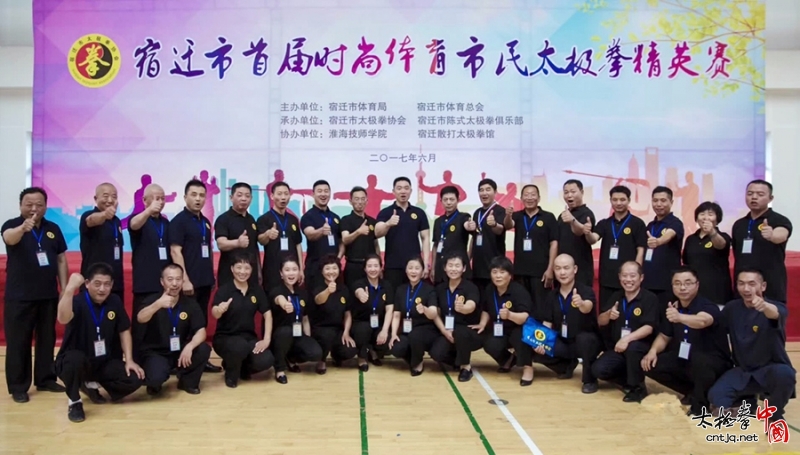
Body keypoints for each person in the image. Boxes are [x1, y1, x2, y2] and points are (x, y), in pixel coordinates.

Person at [2, 187, 68, 402]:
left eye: (39, 204)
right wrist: (23, 228)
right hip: (20, 297)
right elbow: (9, 239)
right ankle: (18, 386)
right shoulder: (12, 225)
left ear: (46, 206)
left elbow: (60, 259)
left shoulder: (53, 229)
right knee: (18, 341)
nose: (34, 208)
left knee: (47, 339)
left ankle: (46, 378)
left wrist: (64, 289)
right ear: (21, 205)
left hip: (48, 294)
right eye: (29, 204)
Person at [54, 265, 144, 422]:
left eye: (107, 284)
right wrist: (69, 289)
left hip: (103, 362)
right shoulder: (77, 301)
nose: (102, 289)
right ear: (87, 283)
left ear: (112, 284)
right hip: (77, 361)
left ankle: (91, 385)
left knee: (135, 378)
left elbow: (124, 330)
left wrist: (129, 360)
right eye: (97, 284)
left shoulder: (114, 301)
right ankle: (75, 402)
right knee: (74, 360)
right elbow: (62, 318)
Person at [641, 267, 732, 416]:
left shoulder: (707, 306)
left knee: (700, 361)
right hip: (686, 358)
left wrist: (680, 317)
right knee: (651, 364)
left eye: (688, 283)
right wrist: (652, 351)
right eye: (677, 283)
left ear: (697, 284)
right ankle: (693, 392)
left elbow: (703, 321)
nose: (682, 287)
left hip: (713, 362)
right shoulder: (674, 307)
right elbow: (664, 336)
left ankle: (701, 406)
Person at [708, 269, 796, 422]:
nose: (746, 288)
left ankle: (774, 413)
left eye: (751, 284)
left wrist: (764, 306)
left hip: (770, 369)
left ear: (763, 286)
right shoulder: (732, 308)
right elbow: (714, 324)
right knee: (716, 396)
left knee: (786, 374)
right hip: (744, 371)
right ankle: (749, 405)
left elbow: (774, 313)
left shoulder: (776, 307)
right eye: (741, 284)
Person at [168, 179, 221, 373]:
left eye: (201, 195)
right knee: (184, 323)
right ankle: (179, 362)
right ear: (185, 197)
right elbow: (175, 251)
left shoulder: (205, 222)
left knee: (201, 321)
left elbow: (207, 251)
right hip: (188, 283)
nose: (198, 199)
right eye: (194, 195)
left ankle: (200, 359)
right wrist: (184, 280)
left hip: (204, 281)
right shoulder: (178, 222)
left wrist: (210, 276)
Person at [137, 264, 211, 395]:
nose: (175, 284)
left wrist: (190, 346)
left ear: (183, 281)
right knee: (155, 378)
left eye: (178, 279)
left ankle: (187, 382)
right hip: (157, 352)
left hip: (180, 351)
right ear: (162, 281)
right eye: (170, 279)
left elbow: (201, 331)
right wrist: (158, 305)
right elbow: (140, 318)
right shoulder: (152, 300)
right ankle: (156, 381)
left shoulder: (190, 303)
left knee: (203, 349)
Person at [592, 261, 658, 402]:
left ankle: (637, 388)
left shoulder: (649, 298)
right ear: (619, 277)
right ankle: (627, 380)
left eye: (632, 276)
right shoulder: (616, 296)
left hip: (639, 348)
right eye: (624, 275)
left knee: (633, 347)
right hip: (619, 348)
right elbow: (600, 321)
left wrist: (626, 339)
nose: (628, 280)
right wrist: (608, 314)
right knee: (598, 369)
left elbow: (649, 327)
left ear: (641, 278)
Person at [536, 254, 602, 393]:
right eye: (558, 268)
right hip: (563, 341)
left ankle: (589, 380)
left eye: (566, 268)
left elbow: (588, 307)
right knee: (534, 343)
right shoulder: (552, 295)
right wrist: (541, 341)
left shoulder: (585, 290)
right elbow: (547, 322)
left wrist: (581, 303)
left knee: (585, 339)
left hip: (585, 342)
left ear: (575, 269)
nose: (562, 272)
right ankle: (565, 366)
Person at [211, 254, 275, 388]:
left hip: (248, 338)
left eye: (247, 268)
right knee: (239, 347)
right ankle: (231, 376)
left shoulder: (256, 290)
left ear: (251, 270)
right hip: (225, 338)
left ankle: (238, 367)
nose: (242, 272)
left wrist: (266, 339)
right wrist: (219, 309)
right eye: (239, 267)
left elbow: (267, 313)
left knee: (266, 360)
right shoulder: (225, 290)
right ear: (232, 269)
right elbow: (215, 313)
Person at [586, 185, 647, 312]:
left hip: (628, 280)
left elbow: (640, 250)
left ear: (629, 200)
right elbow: (593, 239)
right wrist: (587, 232)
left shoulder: (637, 223)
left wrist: (636, 273)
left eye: (622, 199)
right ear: (610, 201)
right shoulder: (604, 223)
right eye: (615, 200)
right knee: (605, 313)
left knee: (626, 313)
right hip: (607, 279)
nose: (618, 203)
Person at [731, 180, 793, 302]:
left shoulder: (779, 220)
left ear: (770, 198)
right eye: (750, 193)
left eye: (760, 194)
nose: (754, 197)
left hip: (770, 284)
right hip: (743, 286)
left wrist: (772, 236)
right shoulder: (739, 224)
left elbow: (782, 234)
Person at [502, 184, 557, 319]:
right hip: (520, 271)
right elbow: (508, 225)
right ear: (521, 198)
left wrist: (550, 269)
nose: (530, 198)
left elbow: (554, 243)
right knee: (522, 307)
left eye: (533, 194)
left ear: (539, 198)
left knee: (540, 309)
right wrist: (508, 216)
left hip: (541, 273)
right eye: (526, 195)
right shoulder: (517, 216)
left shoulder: (548, 217)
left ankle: (540, 332)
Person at [128, 183, 172, 355]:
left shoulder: (165, 223)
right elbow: (133, 225)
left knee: (162, 324)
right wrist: (148, 211)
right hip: (144, 283)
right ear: (144, 200)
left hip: (164, 283)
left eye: (162, 198)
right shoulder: (138, 219)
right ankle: (136, 359)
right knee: (141, 325)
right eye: (155, 198)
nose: (159, 202)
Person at [479, 256, 535, 386]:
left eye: (502, 272)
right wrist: (482, 323)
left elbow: (525, 317)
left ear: (510, 275)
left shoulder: (518, 291)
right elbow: (485, 309)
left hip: (519, 327)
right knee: (489, 343)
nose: (498, 276)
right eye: (494, 272)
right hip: (501, 329)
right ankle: (508, 360)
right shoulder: (490, 289)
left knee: (519, 337)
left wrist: (510, 315)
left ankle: (528, 368)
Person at [268, 257, 324, 384]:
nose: (291, 273)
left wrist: (307, 338)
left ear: (299, 272)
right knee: (286, 332)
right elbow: (279, 298)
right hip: (280, 336)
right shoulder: (277, 290)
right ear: (281, 273)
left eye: (294, 269)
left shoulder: (302, 293)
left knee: (315, 353)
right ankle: (279, 369)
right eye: (287, 270)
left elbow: (305, 318)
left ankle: (291, 358)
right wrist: (285, 305)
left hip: (297, 334)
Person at [429, 252, 482, 382]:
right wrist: (444, 331)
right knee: (436, 353)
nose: (453, 269)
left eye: (457, 266)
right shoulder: (440, 288)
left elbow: (471, 305)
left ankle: (466, 367)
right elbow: (436, 314)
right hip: (447, 330)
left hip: (466, 331)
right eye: (450, 265)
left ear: (464, 268)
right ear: (445, 268)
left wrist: (463, 308)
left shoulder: (470, 287)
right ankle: (458, 360)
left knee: (460, 332)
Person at [375, 177, 431, 290]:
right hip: (393, 266)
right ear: (393, 191)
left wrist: (425, 263)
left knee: (414, 296)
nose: (403, 191)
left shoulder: (419, 213)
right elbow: (376, 233)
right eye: (399, 188)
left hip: (414, 266)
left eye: (406, 188)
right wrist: (388, 224)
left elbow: (425, 238)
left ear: (411, 191)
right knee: (393, 296)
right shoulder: (386, 212)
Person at [388, 257, 439, 376]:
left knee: (415, 336)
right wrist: (394, 334)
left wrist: (425, 309)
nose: (413, 271)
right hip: (407, 330)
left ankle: (417, 362)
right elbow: (396, 315)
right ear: (406, 271)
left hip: (425, 329)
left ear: (422, 271)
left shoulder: (429, 289)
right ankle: (413, 358)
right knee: (396, 347)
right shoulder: (401, 289)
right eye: (410, 268)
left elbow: (433, 313)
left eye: (417, 268)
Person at [309, 255, 358, 374]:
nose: (331, 271)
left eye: (334, 268)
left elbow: (347, 313)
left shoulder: (344, 289)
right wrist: (328, 291)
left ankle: (337, 356)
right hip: (321, 329)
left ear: (339, 270)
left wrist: (346, 332)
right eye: (327, 268)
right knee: (327, 336)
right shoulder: (317, 286)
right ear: (322, 271)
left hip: (338, 329)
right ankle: (321, 360)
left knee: (350, 349)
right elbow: (318, 300)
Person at [346, 254, 394, 371]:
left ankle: (373, 351)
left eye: (376, 266)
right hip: (361, 323)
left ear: (381, 267)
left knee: (386, 341)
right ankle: (362, 357)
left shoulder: (386, 285)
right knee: (364, 330)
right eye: (369, 266)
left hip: (378, 324)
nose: (373, 269)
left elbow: (389, 309)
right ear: (365, 268)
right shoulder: (359, 283)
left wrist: (384, 330)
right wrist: (361, 294)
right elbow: (358, 290)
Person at [79, 183, 124, 301]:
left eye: (114, 197)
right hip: (94, 282)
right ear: (96, 198)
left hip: (115, 282)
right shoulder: (88, 215)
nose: (110, 200)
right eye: (105, 196)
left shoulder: (117, 221)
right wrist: (104, 214)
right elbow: (91, 220)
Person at [256, 181, 304, 293]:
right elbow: (261, 240)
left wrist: (301, 269)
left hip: (291, 270)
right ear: (272, 196)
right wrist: (267, 234)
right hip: (272, 269)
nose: (283, 197)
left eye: (286, 194)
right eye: (279, 194)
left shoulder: (293, 219)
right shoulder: (264, 219)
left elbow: (298, 244)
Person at [682, 202, 732, 306]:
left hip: (717, 292)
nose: (705, 218)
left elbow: (721, 245)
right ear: (696, 218)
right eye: (702, 214)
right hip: (694, 292)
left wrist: (712, 232)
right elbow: (686, 263)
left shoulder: (723, 236)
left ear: (717, 219)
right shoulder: (690, 239)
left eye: (710, 214)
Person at [642, 186, 684, 311]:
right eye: (655, 201)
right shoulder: (650, 225)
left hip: (666, 284)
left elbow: (669, 235)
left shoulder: (675, 223)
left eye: (663, 200)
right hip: (647, 283)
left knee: (666, 318)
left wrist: (658, 241)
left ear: (671, 202)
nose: (659, 204)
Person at [465, 178, 506, 299]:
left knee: (493, 298)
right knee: (479, 298)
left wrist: (494, 224)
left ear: (495, 192)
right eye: (481, 190)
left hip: (494, 264)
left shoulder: (500, 211)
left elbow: (500, 230)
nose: (484, 193)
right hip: (478, 265)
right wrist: (467, 259)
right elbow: (474, 237)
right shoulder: (477, 213)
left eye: (488, 189)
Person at [215, 182, 260, 288]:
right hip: (229, 275)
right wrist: (237, 243)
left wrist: (258, 271)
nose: (244, 199)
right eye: (239, 195)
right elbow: (221, 244)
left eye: (247, 196)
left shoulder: (251, 219)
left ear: (251, 199)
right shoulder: (223, 219)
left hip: (250, 274)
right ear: (231, 198)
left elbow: (254, 248)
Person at [300, 180, 343, 290]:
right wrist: (321, 231)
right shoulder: (308, 217)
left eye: (326, 191)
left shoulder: (335, 217)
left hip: (333, 270)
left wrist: (337, 259)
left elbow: (342, 242)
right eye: (319, 191)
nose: (323, 194)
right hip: (315, 268)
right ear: (313, 194)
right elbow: (310, 234)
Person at [557, 180, 596, 287]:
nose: (569, 195)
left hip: (581, 268)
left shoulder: (587, 213)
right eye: (566, 192)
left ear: (582, 192)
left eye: (573, 192)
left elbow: (580, 232)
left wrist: (572, 221)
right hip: (562, 267)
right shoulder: (562, 215)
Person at [339, 186, 380, 290]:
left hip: (370, 267)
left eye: (362, 199)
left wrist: (379, 264)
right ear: (350, 201)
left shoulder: (372, 221)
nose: (360, 202)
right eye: (356, 199)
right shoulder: (346, 220)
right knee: (352, 294)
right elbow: (345, 239)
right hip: (353, 265)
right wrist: (358, 232)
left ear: (367, 201)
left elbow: (375, 243)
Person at [430, 186, 471, 284]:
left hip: (457, 269)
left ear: (458, 200)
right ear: (441, 201)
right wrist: (433, 267)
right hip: (440, 268)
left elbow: (467, 225)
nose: (448, 203)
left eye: (452, 199)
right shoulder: (438, 221)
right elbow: (435, 245)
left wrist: (469, 226)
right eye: (445, 200)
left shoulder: (463, 217)